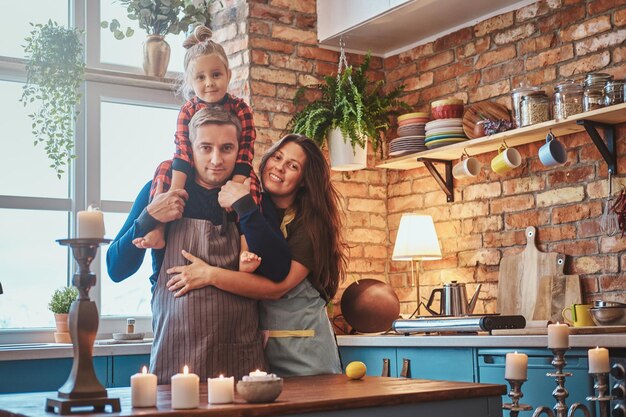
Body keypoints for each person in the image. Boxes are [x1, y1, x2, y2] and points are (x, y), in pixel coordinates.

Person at [106, 106, 291, 383]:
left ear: (238, 150)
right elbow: (115, 269)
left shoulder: (249, 198)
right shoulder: (161, 191)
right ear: (190, 149)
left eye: (226, 148)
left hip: (239, 359)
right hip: (174, 357)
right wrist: (148, 218)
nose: (216, 159)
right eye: (206, 148)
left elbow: (279, 270)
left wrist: (245, 208)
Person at [166, 134, 348, 377]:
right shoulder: (260, 211)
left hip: (306, 355)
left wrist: (209, 274)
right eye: (277, 157)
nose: (279, 168)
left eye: (293, 166)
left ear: (304, 180)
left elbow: (277, 288)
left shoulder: (311, 225)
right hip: (260, 353)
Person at [136, 25, 261, 250]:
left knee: (251, 183)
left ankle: (245, 246)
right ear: (191, 82)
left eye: (216, 75)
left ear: (228, 75)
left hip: (233, 173)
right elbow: (182, 150)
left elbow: (245, 153)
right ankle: (158, 230)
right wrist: (176, 194)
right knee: (165, 168)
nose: (209, 83)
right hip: (193, 172)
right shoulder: (187, 110)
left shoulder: (241, 109)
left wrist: (234, 191)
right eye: (200, 77)